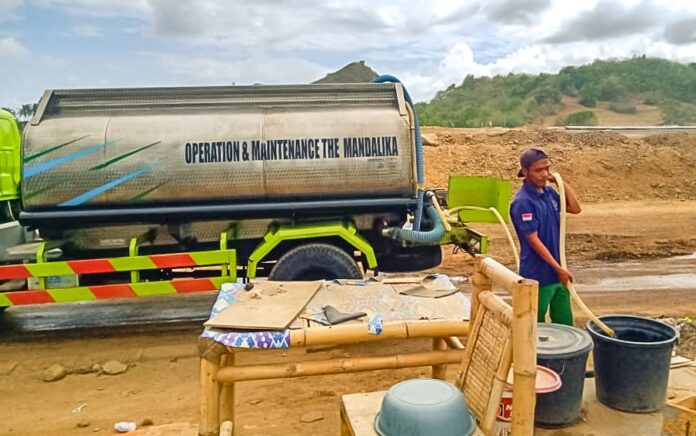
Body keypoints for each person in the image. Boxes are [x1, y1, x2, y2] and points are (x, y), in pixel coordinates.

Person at [510, 148, 581, 325]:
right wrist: (558, 269)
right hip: (539, 275)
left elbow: (575, 208)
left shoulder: (549, 194)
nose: (544, 174)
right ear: (525, 172)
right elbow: (533, 240)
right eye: (538, 170)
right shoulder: (523, 202)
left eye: (547, 169)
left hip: (559, 272)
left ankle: (566, 353)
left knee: (564, 322)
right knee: (534, 324)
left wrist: (559, 182)